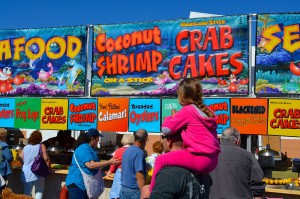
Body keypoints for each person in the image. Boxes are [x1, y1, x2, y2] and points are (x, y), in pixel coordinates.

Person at [149, 78, 220, 192]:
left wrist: (169, 118)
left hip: (200, 159)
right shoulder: (207, 111)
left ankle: (152, 192)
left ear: (182, 95)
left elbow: (166, 130)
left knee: (161, 160)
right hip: (213, 161)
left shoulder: (187, 110)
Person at [141, 133, 212, 199]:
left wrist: (145, 195)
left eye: (163, 137)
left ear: (169, 141)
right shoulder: (204, 173)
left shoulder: (167, 174)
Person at [209, 127, 266, 199]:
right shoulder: (248, 156)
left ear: (221, 140)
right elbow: (257, 187)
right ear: (238, 141)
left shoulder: (210, 155)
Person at [66, 128, 120, 199]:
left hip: (83, 184)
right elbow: (91, 165)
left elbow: (93, 165)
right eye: (98, 138)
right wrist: (109, 162)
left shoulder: (89, 148)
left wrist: (101, 172)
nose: (99, 140)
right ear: (92, 138)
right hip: (77, 183)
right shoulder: (84, 148)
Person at [19, 130, 51, 199]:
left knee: (27, 191)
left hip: (26, 173)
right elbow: (46, 159)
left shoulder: (25, 147)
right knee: (39, 190)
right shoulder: (41, 146)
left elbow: (21, 158)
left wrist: (25, 165)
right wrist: (49, 168)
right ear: (40, 138)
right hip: (37, 172)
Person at [119, 129, 148, 199]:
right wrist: (143, 192)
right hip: (134, 191)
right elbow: (139, 176)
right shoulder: (139, 153)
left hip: (123, 188)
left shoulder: (127, 150)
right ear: (144, 140)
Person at [108, 134, 134, 199]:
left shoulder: (118, 150)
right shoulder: (134, 151)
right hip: (131, 174)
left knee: (116, 194)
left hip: (120, 172)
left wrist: (110, 171)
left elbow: (113, 163)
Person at [0, 128, 13, 194]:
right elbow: (9, 158)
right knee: (1, 189)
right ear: (4, 136)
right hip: (1, 170)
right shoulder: (4, 146)